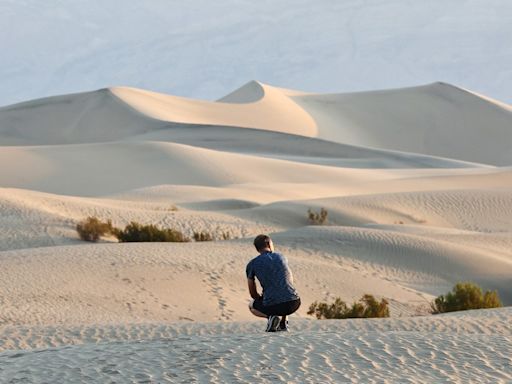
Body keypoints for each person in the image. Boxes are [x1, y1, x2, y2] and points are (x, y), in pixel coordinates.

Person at [246, 234, 301, 332]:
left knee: (252, 305)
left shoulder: (252, 264)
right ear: (269, 244)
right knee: (284, 291)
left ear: (257, 248)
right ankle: (283, 324)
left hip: (273, 306)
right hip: (294, 302)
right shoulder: (281, 257)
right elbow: (288, 281)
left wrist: (260, 298)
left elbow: (252, 293)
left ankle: (271, 317)